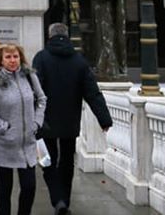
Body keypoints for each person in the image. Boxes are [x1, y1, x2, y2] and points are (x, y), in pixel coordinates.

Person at [32, 22, 112, 215]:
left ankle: (57, 199)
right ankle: (65, 200)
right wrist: (104, 119)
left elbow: (34, 91)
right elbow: (92, 93)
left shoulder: (41, 58)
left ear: (49, 36)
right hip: (70, 120)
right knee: (67, 161)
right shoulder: (79, 61)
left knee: (47, 160)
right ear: (67, 36)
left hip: (45, 120)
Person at [0, 42, 47, 215]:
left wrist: (37, 122)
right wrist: (4, 127)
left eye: (15, 56)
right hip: (3, 144)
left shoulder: (29, 76)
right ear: (1, 60)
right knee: (5, 188)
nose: (12, 60)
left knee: (29, 186)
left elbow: (41, 99)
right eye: (8, 57)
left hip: (27, 143)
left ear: (20, 58)